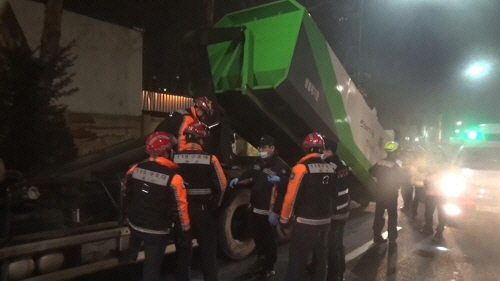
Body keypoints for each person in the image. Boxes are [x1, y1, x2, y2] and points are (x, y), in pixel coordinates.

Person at [122, 132, 190, 281]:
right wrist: (184, 232)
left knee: (131, 259)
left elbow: (126, 194)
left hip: (135, 225)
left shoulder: (134, 169)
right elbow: (180, 208)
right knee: (151, 268)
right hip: (157, 231)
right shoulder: (174, 178)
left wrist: (128, 214)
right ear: (165, 151)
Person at [229, 135, 290, 279]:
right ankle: (260, 262)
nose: (261, 150)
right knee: (258, 238)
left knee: (269, 241)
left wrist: (276, 212)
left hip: (269, 211)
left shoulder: (281, 167)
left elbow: (285, 191)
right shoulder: (259, 162)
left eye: (264, 148)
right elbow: (250, 172)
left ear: (272, 148)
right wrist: (239, 179)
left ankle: (270, 267)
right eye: (260, 148)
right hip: (255, 208)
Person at [173, 122, 227, 281]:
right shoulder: (210, 159)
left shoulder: (175, 158)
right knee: (208, 253)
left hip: (181, 213)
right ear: (201, 140)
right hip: (203, 212)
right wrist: (214, 205)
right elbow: (222, 186)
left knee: (183, 255)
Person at [280, 133, 336, 281]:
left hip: (305, 223)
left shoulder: (300, 168)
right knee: (321, 260)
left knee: (297, 261)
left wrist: (284, 220)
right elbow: (332, 195)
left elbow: (290, 198)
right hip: (324, 223)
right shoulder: (330, 169)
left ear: (306, 149)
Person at [369, 141, 409, 246]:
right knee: (392, 215)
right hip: (391, 193)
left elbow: (371, 172)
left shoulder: (380, 162)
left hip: (380, 192)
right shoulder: (396, 165)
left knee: (379, 214)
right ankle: (392, 238)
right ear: (395, 152)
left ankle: (377, 236)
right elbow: (402, 179)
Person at [323, 139, 351, 281]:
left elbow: (326, 189)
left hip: (334, 211)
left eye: (323, 150)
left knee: (331, 243)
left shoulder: (328, 166)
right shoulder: (343, 164)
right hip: (344, 208)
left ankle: (334, 275)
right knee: (338, 241)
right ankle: (341, 268)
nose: (321, 153)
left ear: (329, 151)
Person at [420, 162, 447, 240]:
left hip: (439, 196)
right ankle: (431, 230)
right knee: (430, 214)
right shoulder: (430, 174)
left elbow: (425, 184)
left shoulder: (443, 175)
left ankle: (437, 232)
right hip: (435, 196)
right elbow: (425, 184)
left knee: (439, 214)